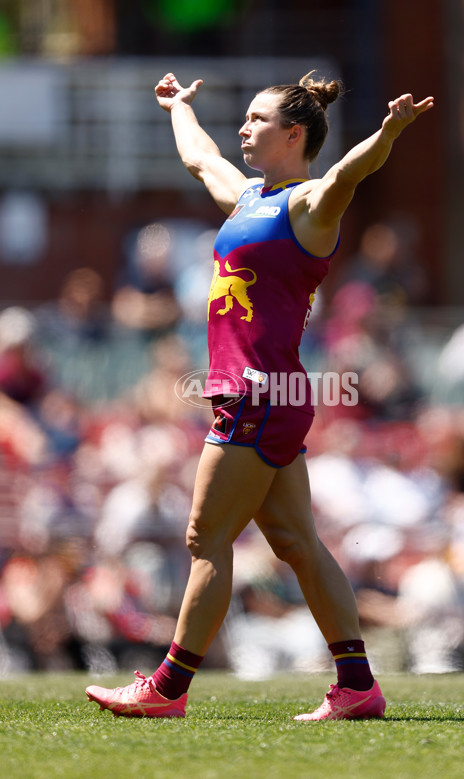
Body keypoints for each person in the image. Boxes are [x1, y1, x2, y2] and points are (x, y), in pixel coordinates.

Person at [85, 70, 433, 720]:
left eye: (255, 118)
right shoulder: (249, 198)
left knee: (204, 537)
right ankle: (357, 684)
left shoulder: (307, 205)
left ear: (293, 133)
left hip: (259, 394)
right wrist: (178, 107)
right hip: (264, 394)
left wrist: (388, 131)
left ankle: (168, 686)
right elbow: (199, 158)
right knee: (298, 541)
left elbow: (348, 175)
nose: (242, 127)